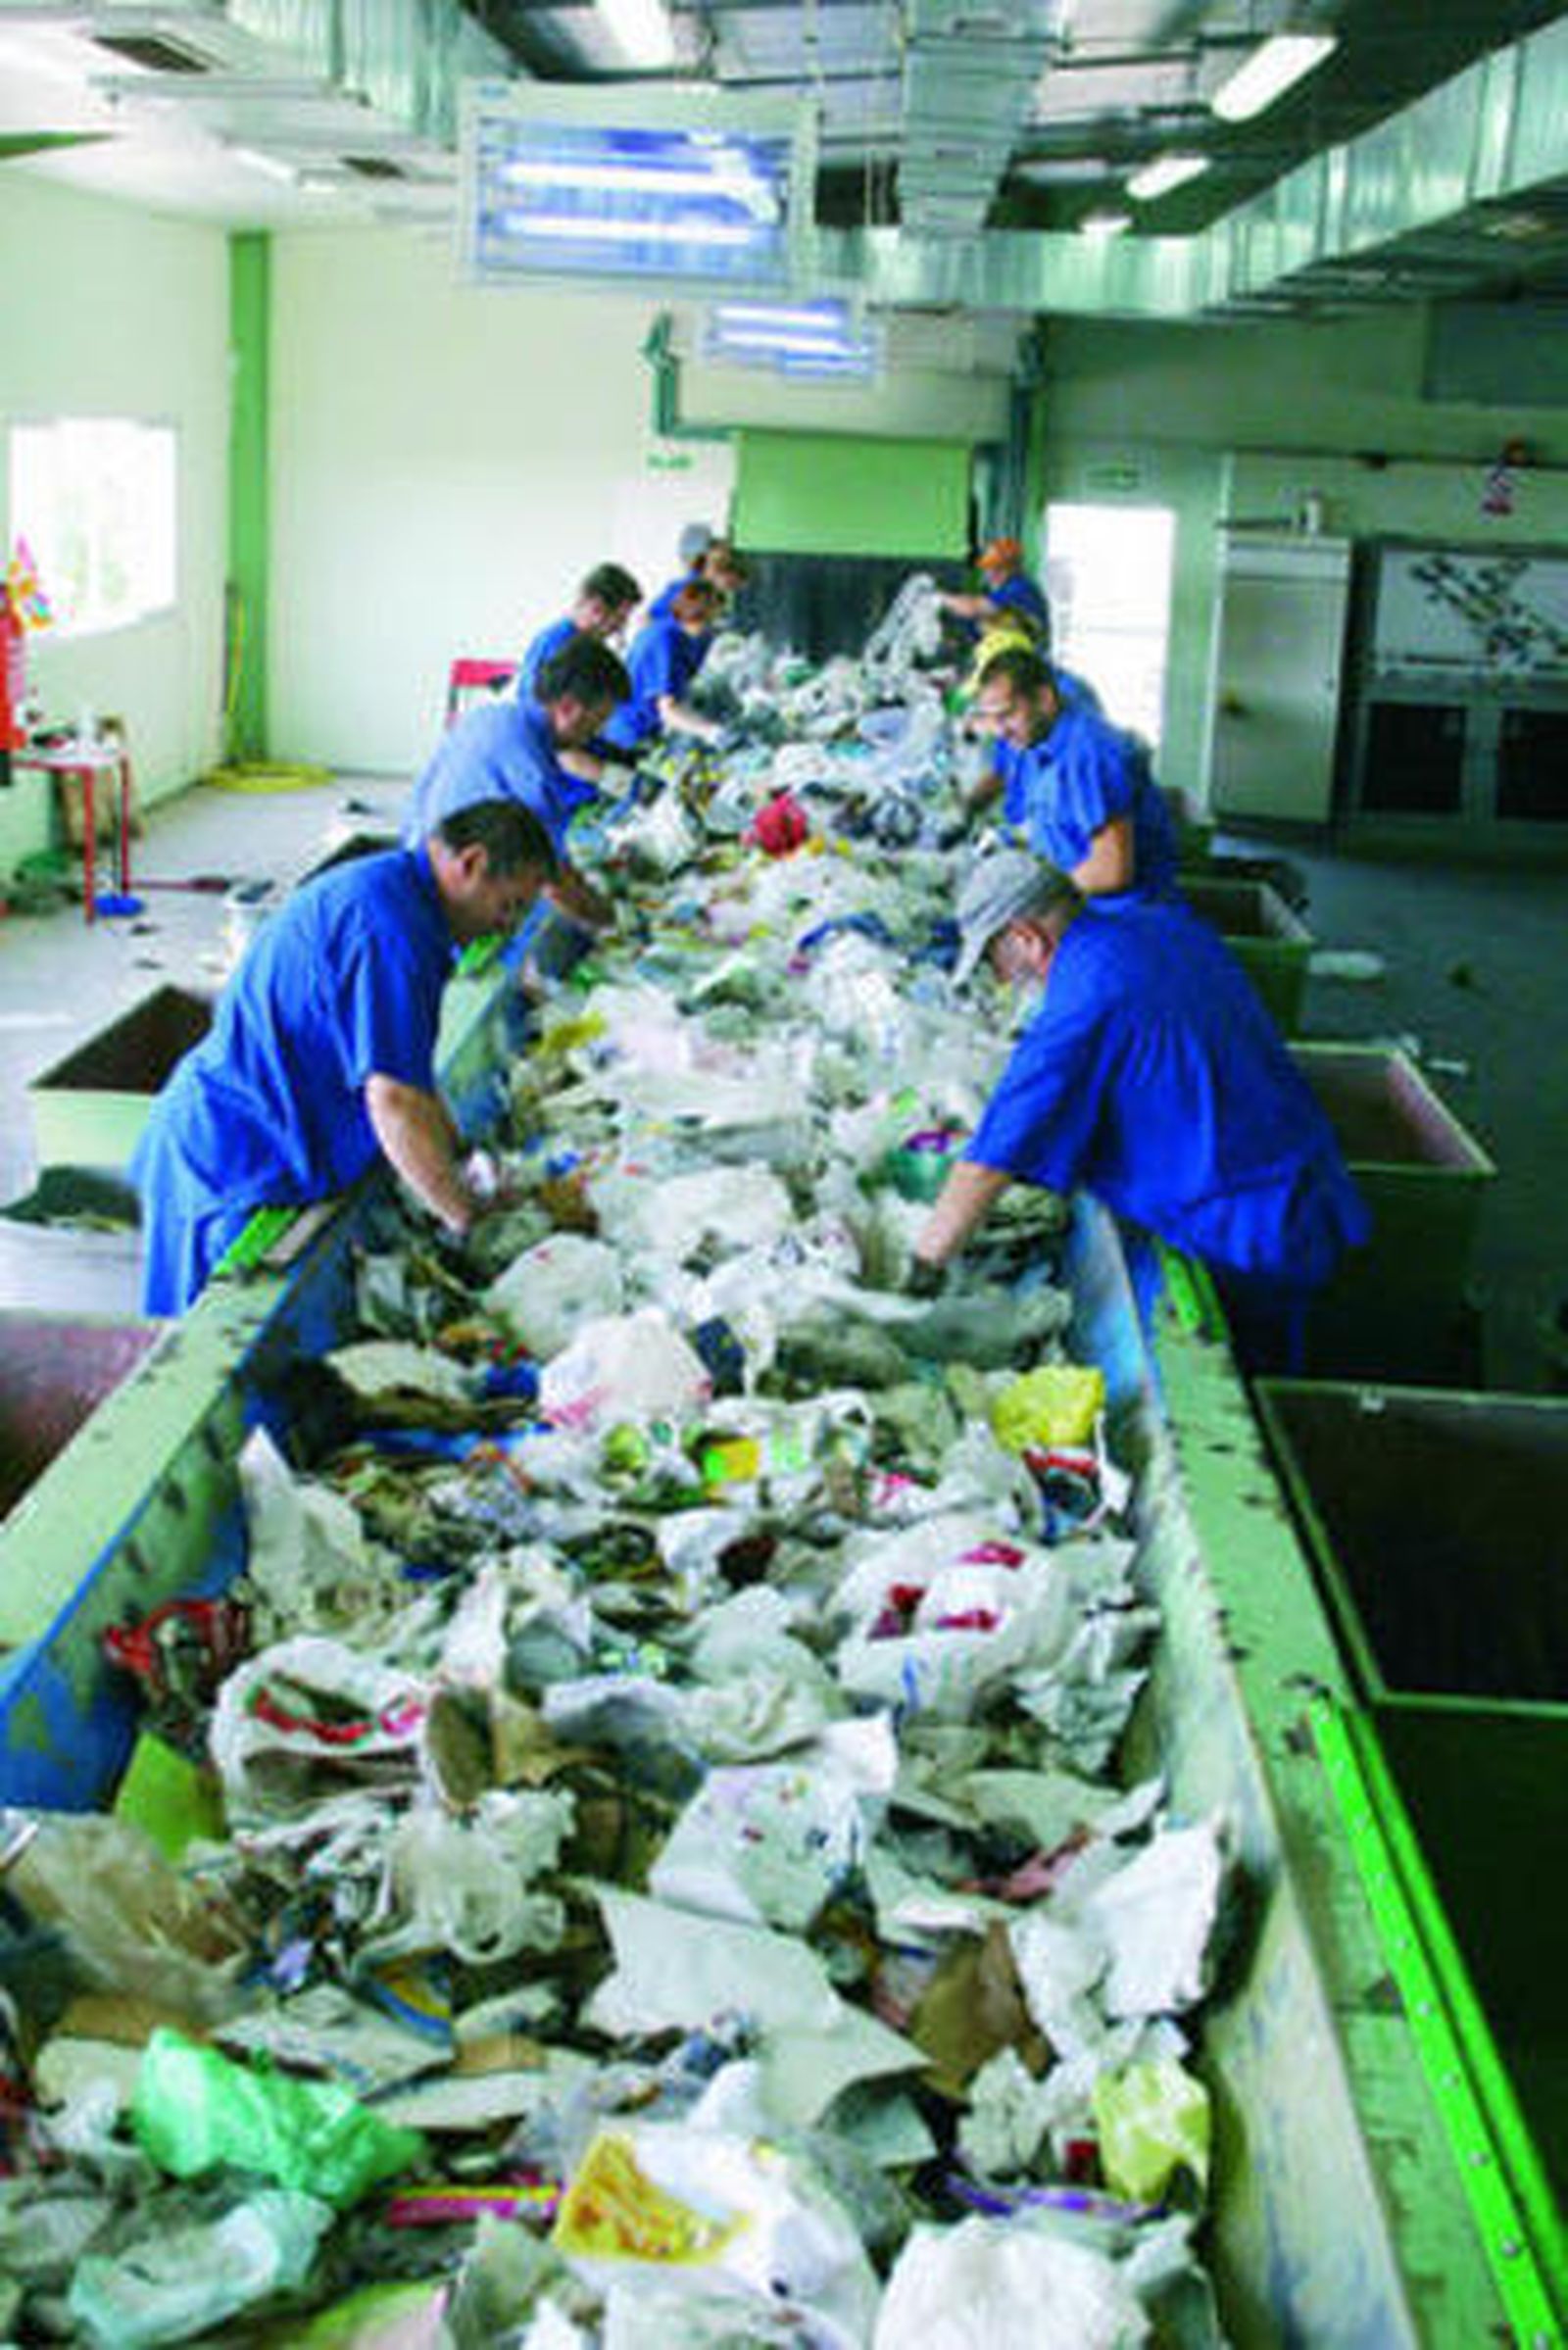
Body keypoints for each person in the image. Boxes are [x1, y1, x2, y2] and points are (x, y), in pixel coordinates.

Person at [908, 854, 1370, 1373]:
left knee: (1256, 1374)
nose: (1005, 981)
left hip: (1250, 1224)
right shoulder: (1154, 923)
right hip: (1300, 1169)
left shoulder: (1085, 997)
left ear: (1025, 938)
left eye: (997, 963)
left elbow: (990, 1161)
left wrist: (920, 1272)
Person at [132, 800, 557, 1317]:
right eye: (508, 906)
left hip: (261, 1132)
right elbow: (394, 1101)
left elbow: (411, 1082)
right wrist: (470, 1225)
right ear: (469, 864)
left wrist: (465, 1161)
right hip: (231, 1156)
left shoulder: (402, 895)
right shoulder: (392, 931)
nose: (506, 929)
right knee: (196, 1332)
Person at [404, 633, 631, 931]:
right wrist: (615, 920)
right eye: (597, 720)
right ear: (567, 708)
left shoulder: (494, 715)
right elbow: (554, 877)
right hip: (446, 893)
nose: (597, 732)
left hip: (416, 857)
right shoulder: (529, 760)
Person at [968, 644, 1178, 906]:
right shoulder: (1038, 741)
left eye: (1008, 715)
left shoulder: (1088, 754)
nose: (1000, 731)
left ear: (1044, 699)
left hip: (1119, 917)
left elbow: (1110, 873)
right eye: (991, 719)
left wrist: (1029, 891)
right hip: (1080, 900)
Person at [601, 576, 726, 756]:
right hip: (631, 735)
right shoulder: (666, 641)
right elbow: (669, 710)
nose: (717, 625)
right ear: (702, 613)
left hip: (640, 727)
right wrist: (712, 732)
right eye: (716, 616)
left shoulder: (672, 632)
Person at [514, 562, 642, 699]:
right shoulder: (556, 644)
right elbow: (540, 704)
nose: (620, 627)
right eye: (620, 618)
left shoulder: (587, 645)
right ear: (597, 607)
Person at [939, 537, 1051, 640]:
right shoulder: (1004, 588)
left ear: (1013, 568)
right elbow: (973, 603)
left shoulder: (1019, 588)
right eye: (989, 568)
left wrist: (938, 598)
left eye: (998, 568)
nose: (990, 574)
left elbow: (972, 608)